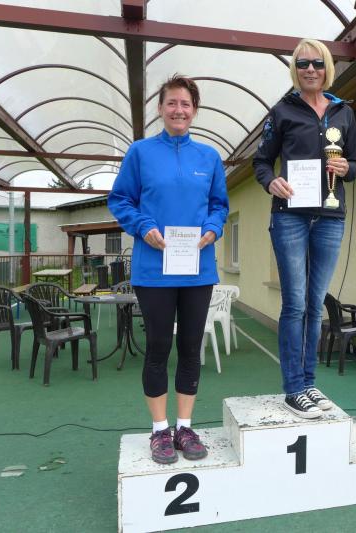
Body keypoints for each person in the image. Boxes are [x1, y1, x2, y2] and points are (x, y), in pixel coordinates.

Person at [108, 75, 229, 464]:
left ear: (195, 110)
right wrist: (143, 226)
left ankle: (185, 427)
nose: (179, 110)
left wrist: (213, 228)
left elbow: (219, 205)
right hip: (153, 269)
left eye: (186, 103)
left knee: (191, 348)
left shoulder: (208, 157)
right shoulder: (140, 153)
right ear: (160, 109)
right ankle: (160, 430)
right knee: (158, 347)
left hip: (198, 269)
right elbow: (120, 200)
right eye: (172, 103)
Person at [253, 38, 356, 419]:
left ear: (327, 67)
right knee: (295, 303)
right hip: (290, 217)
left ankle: (310, 383)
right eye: (302, 64)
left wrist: (347, 168)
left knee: (316, 305)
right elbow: (261, 162)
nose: (310, 69)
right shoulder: (282, 110)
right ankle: (293, 388)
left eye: (316, 63)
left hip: (330, 217)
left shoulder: (344, 112)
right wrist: (271, 182)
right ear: (295, 70)